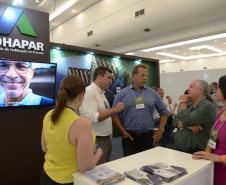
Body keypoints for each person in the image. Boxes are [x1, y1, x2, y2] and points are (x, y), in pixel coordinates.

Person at [41, 75, 103, 185]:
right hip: (69, 180)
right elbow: (84, 166)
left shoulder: (49, 115)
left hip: (46, 176)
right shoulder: (81, 123)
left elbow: (45, 148)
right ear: (81, 95)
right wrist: (98, 153)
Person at [112, 64, 169, 157]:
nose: (145, 78)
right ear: (134, 75)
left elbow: (164, 112)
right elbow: (114, 114)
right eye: (142, 75)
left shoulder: (153, 93)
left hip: (148, 136)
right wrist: (122, 132)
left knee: (148, 165)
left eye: (146, 75)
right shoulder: (122, 93)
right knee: (129, 166)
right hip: (129, 137)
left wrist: (160, 131)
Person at [79, 66, 125, 164]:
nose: (111, 81)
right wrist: (115, 110)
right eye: (108, 78)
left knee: (103, 167)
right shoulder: (89, 92)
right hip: (96, 140)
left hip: (106, 139)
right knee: (96, 170)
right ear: (99, 76)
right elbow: (92, 117)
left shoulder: (102, 93)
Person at [193, 75, 226, 185]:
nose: (215, 90)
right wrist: (205, 155)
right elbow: (213, 137)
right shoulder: (221, 113)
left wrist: (217, 157)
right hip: (215, 166)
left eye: (219, 88)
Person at [172, 79, 217, 154]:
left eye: (191, 87)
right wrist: (186, 126)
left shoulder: (207, 106)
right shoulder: (189, 106)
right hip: (181, 152)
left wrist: (183, 102)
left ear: (200, 91)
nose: (187, 89)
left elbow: (186, 121)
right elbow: (174, 121)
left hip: (196, 154)